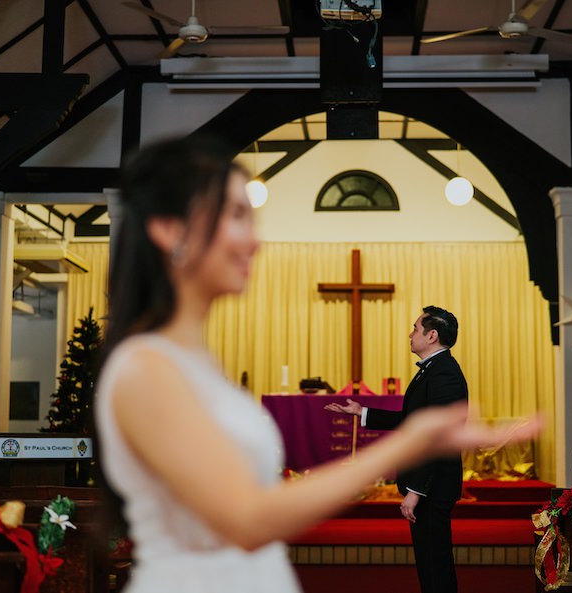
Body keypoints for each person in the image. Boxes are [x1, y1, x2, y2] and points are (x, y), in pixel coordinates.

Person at [94, 135, 541, 593]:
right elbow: (245, 520)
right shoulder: (144, 366)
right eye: (236, 216)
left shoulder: (193, 359)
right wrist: (407, 446)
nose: (254, 239)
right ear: (172, 230)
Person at [325, 306, 468, 593]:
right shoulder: (436, 370)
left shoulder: (444, 373)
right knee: (428, 563)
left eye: (415, 328)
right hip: (430, 482)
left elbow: (435, 436)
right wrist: (362, 412)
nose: (410, 334)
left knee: (435, 564)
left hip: (433, 484)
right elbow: (414, 422)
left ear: (432, 335)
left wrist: (416, 492)